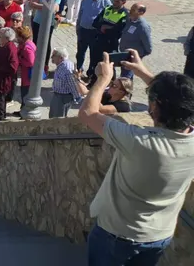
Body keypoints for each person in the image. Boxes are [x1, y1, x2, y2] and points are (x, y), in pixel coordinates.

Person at [78, 50, 194, 266]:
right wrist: (143, 73)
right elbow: (181, 103)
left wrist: (103, 78)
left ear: (154, 107)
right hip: (160, 235)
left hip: (116, 235)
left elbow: (87, 113)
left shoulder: (139, 142)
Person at [89, 0, 130, 80]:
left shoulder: (124, 14)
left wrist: (107, 27)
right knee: (95, 63)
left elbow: (119, 32)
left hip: (111, 44)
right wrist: (102, 26)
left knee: (109, 65)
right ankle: (93, 82)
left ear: (124, 2)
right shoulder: (107, 9)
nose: (114, 3)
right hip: (99, 40)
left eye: (117, 1)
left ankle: (111, 84)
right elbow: (95, 23)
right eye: (114, 0)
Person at [76, 0, 112, 75]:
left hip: (95, 32)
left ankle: (91, 73)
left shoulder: (106, 2)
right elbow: (80, 14)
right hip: (83, 30)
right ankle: (79, 69)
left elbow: (109, 19)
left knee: (94, 54)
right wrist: (78, 27)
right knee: (80, 52)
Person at [30, 0, 63, 76]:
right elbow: (32, 4)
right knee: (35, 42)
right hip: (37, 21)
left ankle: (45, 65)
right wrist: (47, 6)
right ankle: (33, 63)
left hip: (48, 23)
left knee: (46, 43)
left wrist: (41, 6)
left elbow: (54, 9)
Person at [0, 27, 19, 121]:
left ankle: (0, 116)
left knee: (0, 97)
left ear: (7, 38)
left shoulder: (10, 48)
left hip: (4, 79)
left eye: (0, 36)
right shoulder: (2, 44)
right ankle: (0, 113)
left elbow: (13, 67)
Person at [49, 48, 88, 118]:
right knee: (53, 115)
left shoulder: (67, 69)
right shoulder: (61, 65)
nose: (51, 57)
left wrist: (77, 97)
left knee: (58, 118)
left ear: (60, 58)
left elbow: (72, 85)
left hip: (63, 98)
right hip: (57, 95)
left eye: (53, 56)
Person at [119, 3, 152, 79]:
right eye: (131, 9)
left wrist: (140, 55)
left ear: (141, 13)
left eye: (133, 10)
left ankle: (123, 90)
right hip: (125, 53)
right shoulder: (130, 20)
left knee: (125, 77)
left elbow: (148, 44)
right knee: (127, 75)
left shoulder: (142, 26)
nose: (130, 11)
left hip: (132, 56)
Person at [13, 26, 36, 115]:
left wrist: (19, 59)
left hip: (28, 76)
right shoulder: (29, 43)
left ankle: (24, 113)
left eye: (17, 36)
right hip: (27, 75)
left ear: (22, 37)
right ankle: (23, 110)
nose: (16, 38)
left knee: (25, 94)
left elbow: (31, 62)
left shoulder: (27, 48)